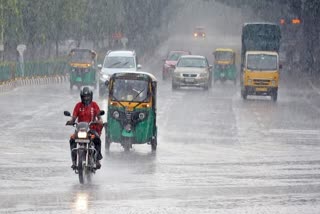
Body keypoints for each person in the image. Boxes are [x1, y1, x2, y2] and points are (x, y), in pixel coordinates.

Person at [66, 87, 103, 169]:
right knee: (72, 139)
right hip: (80, 130)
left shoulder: (94, 105)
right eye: (84, 97)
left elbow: (99, 118)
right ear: (81, 97)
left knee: (97, 139)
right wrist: (70, 121)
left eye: (88, 96)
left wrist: (99, 121)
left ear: (91, 96)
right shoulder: (78, 106)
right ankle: (74, 161)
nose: (86, 98)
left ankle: (97, 160)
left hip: (91, 129)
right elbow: (74, 117)